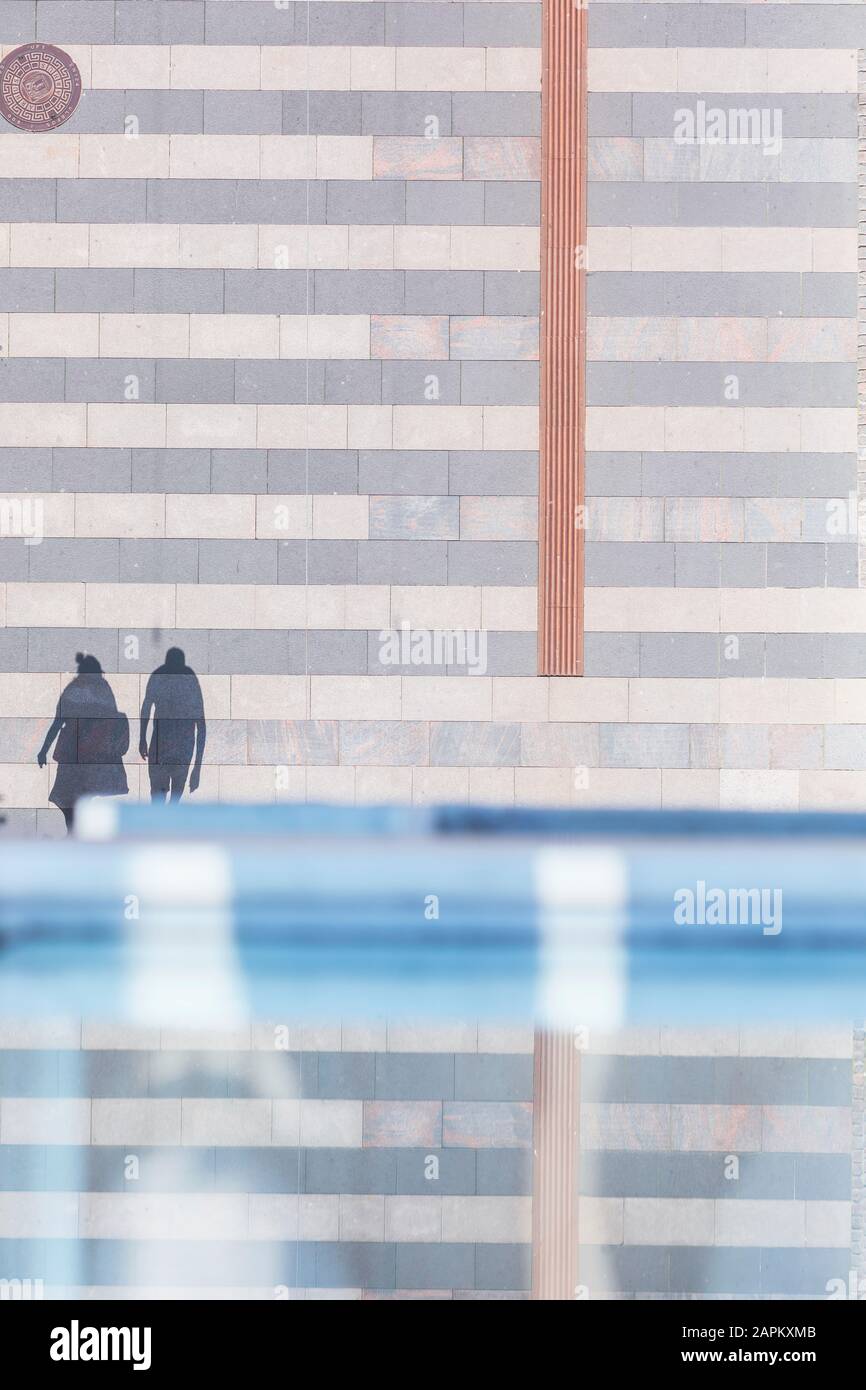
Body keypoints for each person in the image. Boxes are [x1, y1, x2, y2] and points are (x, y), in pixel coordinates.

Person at [37, 653, 129, 833]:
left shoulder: (73, 690)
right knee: (78, 798)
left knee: (68, 798)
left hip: (73, 754)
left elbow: (58, 722)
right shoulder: (103, 689)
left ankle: (74, 833)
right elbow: (112, 722)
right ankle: (77, 833)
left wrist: (44, 750)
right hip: (94, 756)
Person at [139, 647, 206, 803]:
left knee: (159, 798)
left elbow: (146, 707)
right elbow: (201, 726)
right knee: (169, 799)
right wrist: (197, 767)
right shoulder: (188, 678)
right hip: (178, 747)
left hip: (165, 746)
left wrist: (142, 738)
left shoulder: (160, 675)